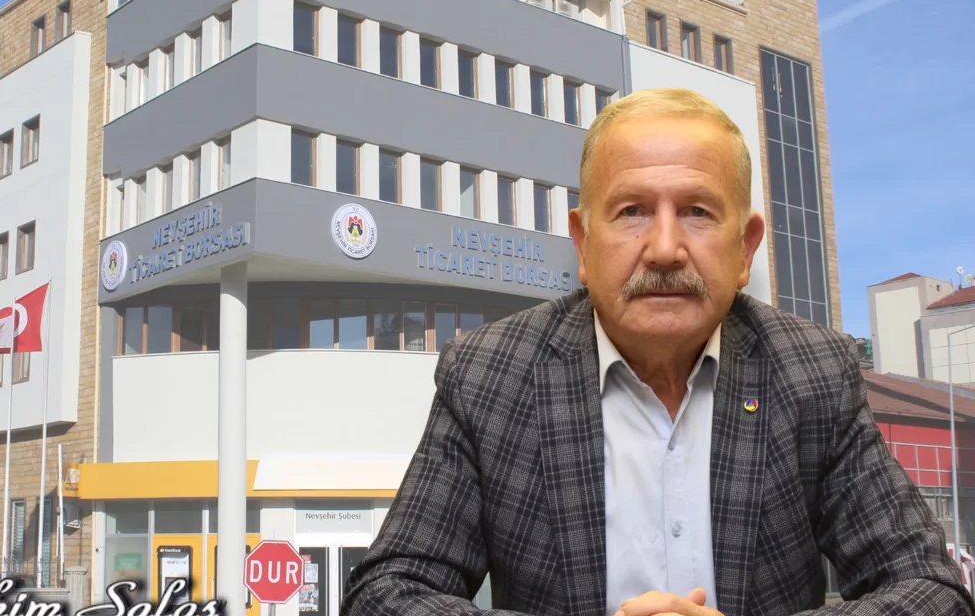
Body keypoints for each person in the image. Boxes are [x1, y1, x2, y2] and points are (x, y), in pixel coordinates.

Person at [341, 88, 974, 616]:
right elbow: (385, 595)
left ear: (745, 247)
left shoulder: (814, 372)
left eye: (697, 211)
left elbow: (932, 591)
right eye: (632, 212)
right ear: (583, 243)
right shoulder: (490, 376)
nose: (666, 248)